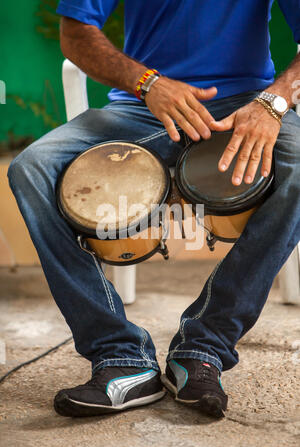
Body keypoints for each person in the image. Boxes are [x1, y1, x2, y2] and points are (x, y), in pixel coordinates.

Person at [7, 0, 300, 419]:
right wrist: (149, 83)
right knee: (31, 168)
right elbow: (75, 33)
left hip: (245, 107)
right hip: (138, 110)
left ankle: (204, 346)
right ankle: (120, 357)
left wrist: (272, 104)